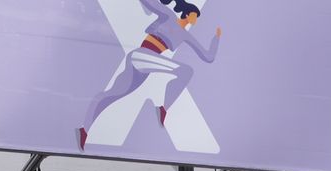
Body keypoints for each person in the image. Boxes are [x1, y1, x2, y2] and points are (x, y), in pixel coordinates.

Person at [77, 0, 223, 150]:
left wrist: (216, 38)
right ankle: (163, 108)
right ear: (188, 13)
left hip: (145, 66)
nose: (196, 19)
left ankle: (84, 129)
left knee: (112, 94)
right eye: (195, 15)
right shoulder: (169, 16)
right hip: (142, 55)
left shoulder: (185, 35)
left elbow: (207, 56)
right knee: (186, 71)